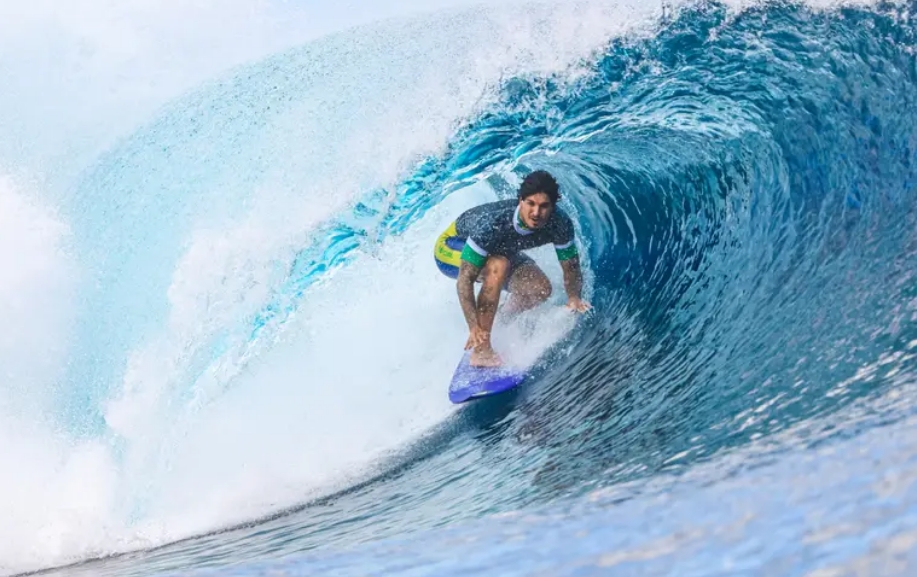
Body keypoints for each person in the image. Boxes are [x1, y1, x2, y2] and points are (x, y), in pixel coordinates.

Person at [434, 170, 591, 367]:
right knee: (498, 265)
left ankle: (499, 320)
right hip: (450, 248)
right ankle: (481, 351)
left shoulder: (559, 223)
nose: (536, 213)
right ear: (520, 200)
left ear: (553, 206)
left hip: (499, 251)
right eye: (531, 204)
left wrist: (574, 298)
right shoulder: (493, 223)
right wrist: (473, 326)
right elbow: (464, 280)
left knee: (540, 288)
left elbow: (571, 266)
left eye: (544, 206)